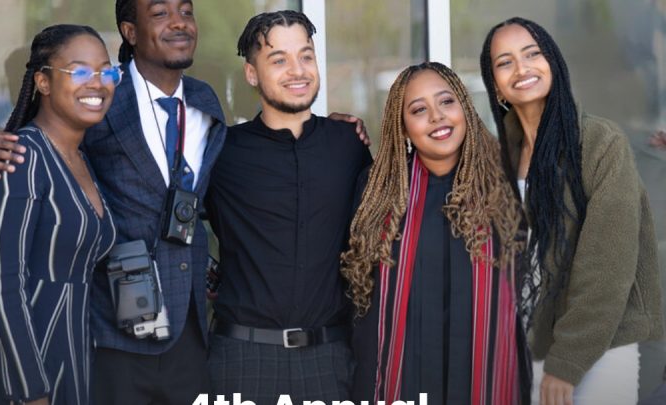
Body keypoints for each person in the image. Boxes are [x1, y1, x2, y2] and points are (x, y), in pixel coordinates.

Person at [0, 1, 227, 403]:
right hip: (113, 329)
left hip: (187, 325)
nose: (178, 23)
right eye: (160, 13)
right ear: (130, 32)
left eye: (186, 12)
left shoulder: (206, 104)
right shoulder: (98, 105)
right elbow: (25, 175)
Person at [480, 17, 663, 405]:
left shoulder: (599, 143)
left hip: (599, 347)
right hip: (524, 345)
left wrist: (566, 363)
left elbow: (608, 265)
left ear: (553, 62)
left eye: (532, 53)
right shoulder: (498, 159)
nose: (522, 68)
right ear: (495, 84)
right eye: (505, 61)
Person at [205, 10, 372, 403]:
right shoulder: (221, 151)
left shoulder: (348, 145)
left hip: (330, 359)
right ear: (251, 74)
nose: (297, 70)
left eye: (306, 56)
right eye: (278, 59)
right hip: (240, 359)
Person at [0, 24, 118, 405]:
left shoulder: (82, 160)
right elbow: (2, 285)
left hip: (67, 350)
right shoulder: (20, 156)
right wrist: (32, 390)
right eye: (80, 71)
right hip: (15, 368)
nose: (98, 83)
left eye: (107, 71)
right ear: (42, 81)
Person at [342, 61, 530, 405]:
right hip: (399, 382)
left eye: (446, 102)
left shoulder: (506, 183)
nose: (437, 116)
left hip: (488, 380)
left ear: (464, 107)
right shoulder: (377, 190)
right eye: (418, 109)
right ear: (402, 127)